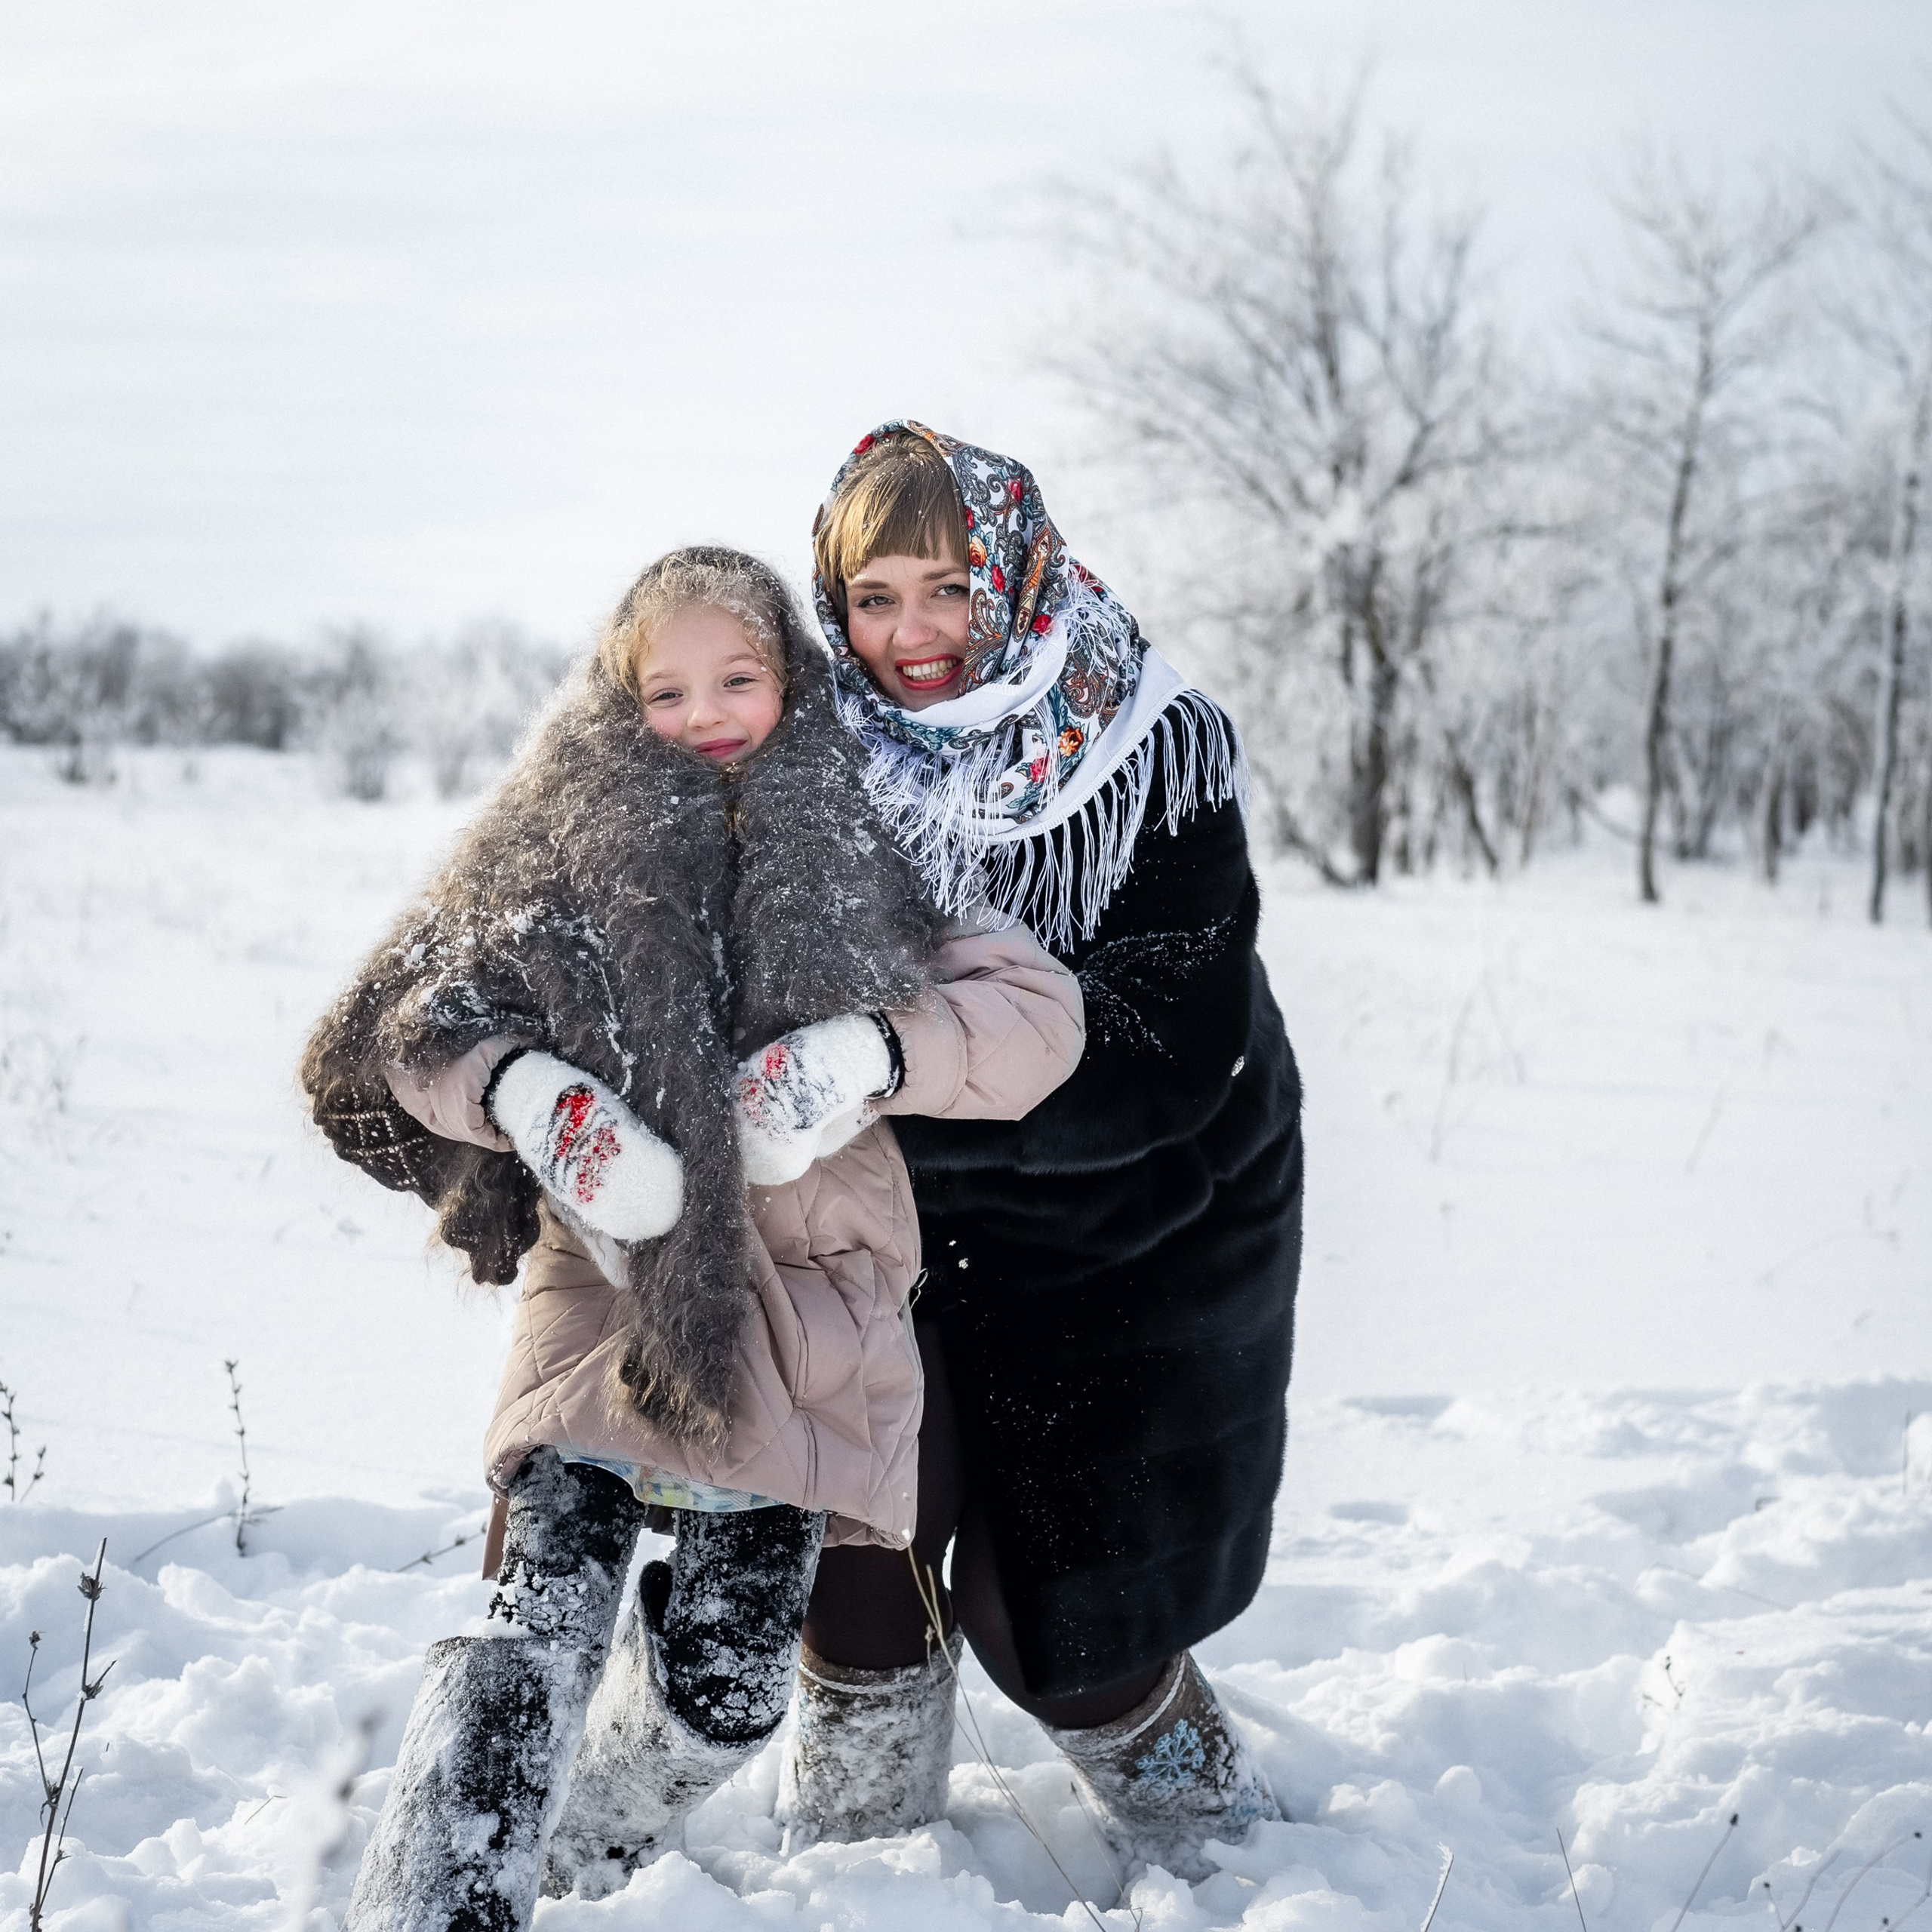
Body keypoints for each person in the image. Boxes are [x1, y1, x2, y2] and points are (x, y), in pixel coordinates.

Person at [299, 546, 1083, 1927]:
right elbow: (399, 1029)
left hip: (801, 1317)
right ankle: (436, 1898)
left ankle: (585, 1822)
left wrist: (868, 1052)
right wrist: (527, 1096)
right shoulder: (550, 839)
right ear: (617, 695)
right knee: (532, 1632)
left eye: (738, 677)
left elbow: (1036, 1023)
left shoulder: (872, 837)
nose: (705, 711)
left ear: (788, 672)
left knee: (726, 1687)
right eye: (664, 689)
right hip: (604, 1294)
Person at [782, 426, 1305, 1882]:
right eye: (874, 595)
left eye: (947, 587)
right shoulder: (806, 756)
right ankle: (858, 1874)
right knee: (858, 1536)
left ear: (1011, 573)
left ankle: (1227, 1854)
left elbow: (1170, 1044)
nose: (914, 636)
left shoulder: (1148, 748)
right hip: (896, 1217)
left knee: (1063, 1626)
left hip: (1143, 1221)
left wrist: (895, 1077)